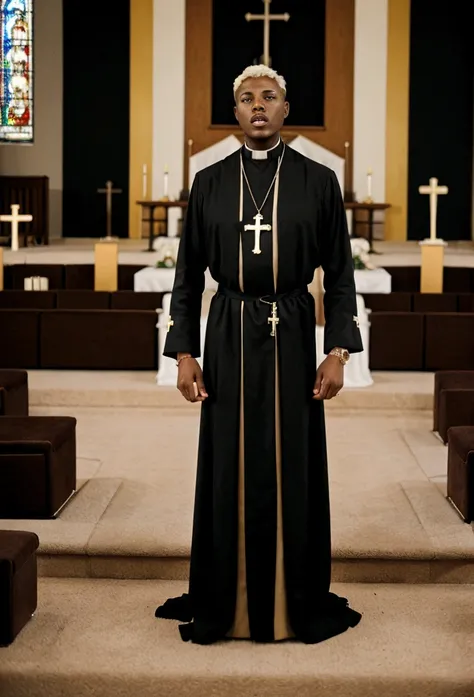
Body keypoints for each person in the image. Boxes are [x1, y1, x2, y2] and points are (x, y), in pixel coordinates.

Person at [156, 64, 364, 645]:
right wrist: (183, 354)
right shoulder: (211, 182)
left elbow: (341, 276)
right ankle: (228, 597)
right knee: (229, 462)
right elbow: (187, 275)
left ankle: (293, 597)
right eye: (246, 98)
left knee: (293, 461)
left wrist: (338, 350)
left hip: (296, 330)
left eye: (269, 97)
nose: (257, 106)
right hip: (228, 330)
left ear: (285, 109)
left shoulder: (318, 181)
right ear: (236, 110)